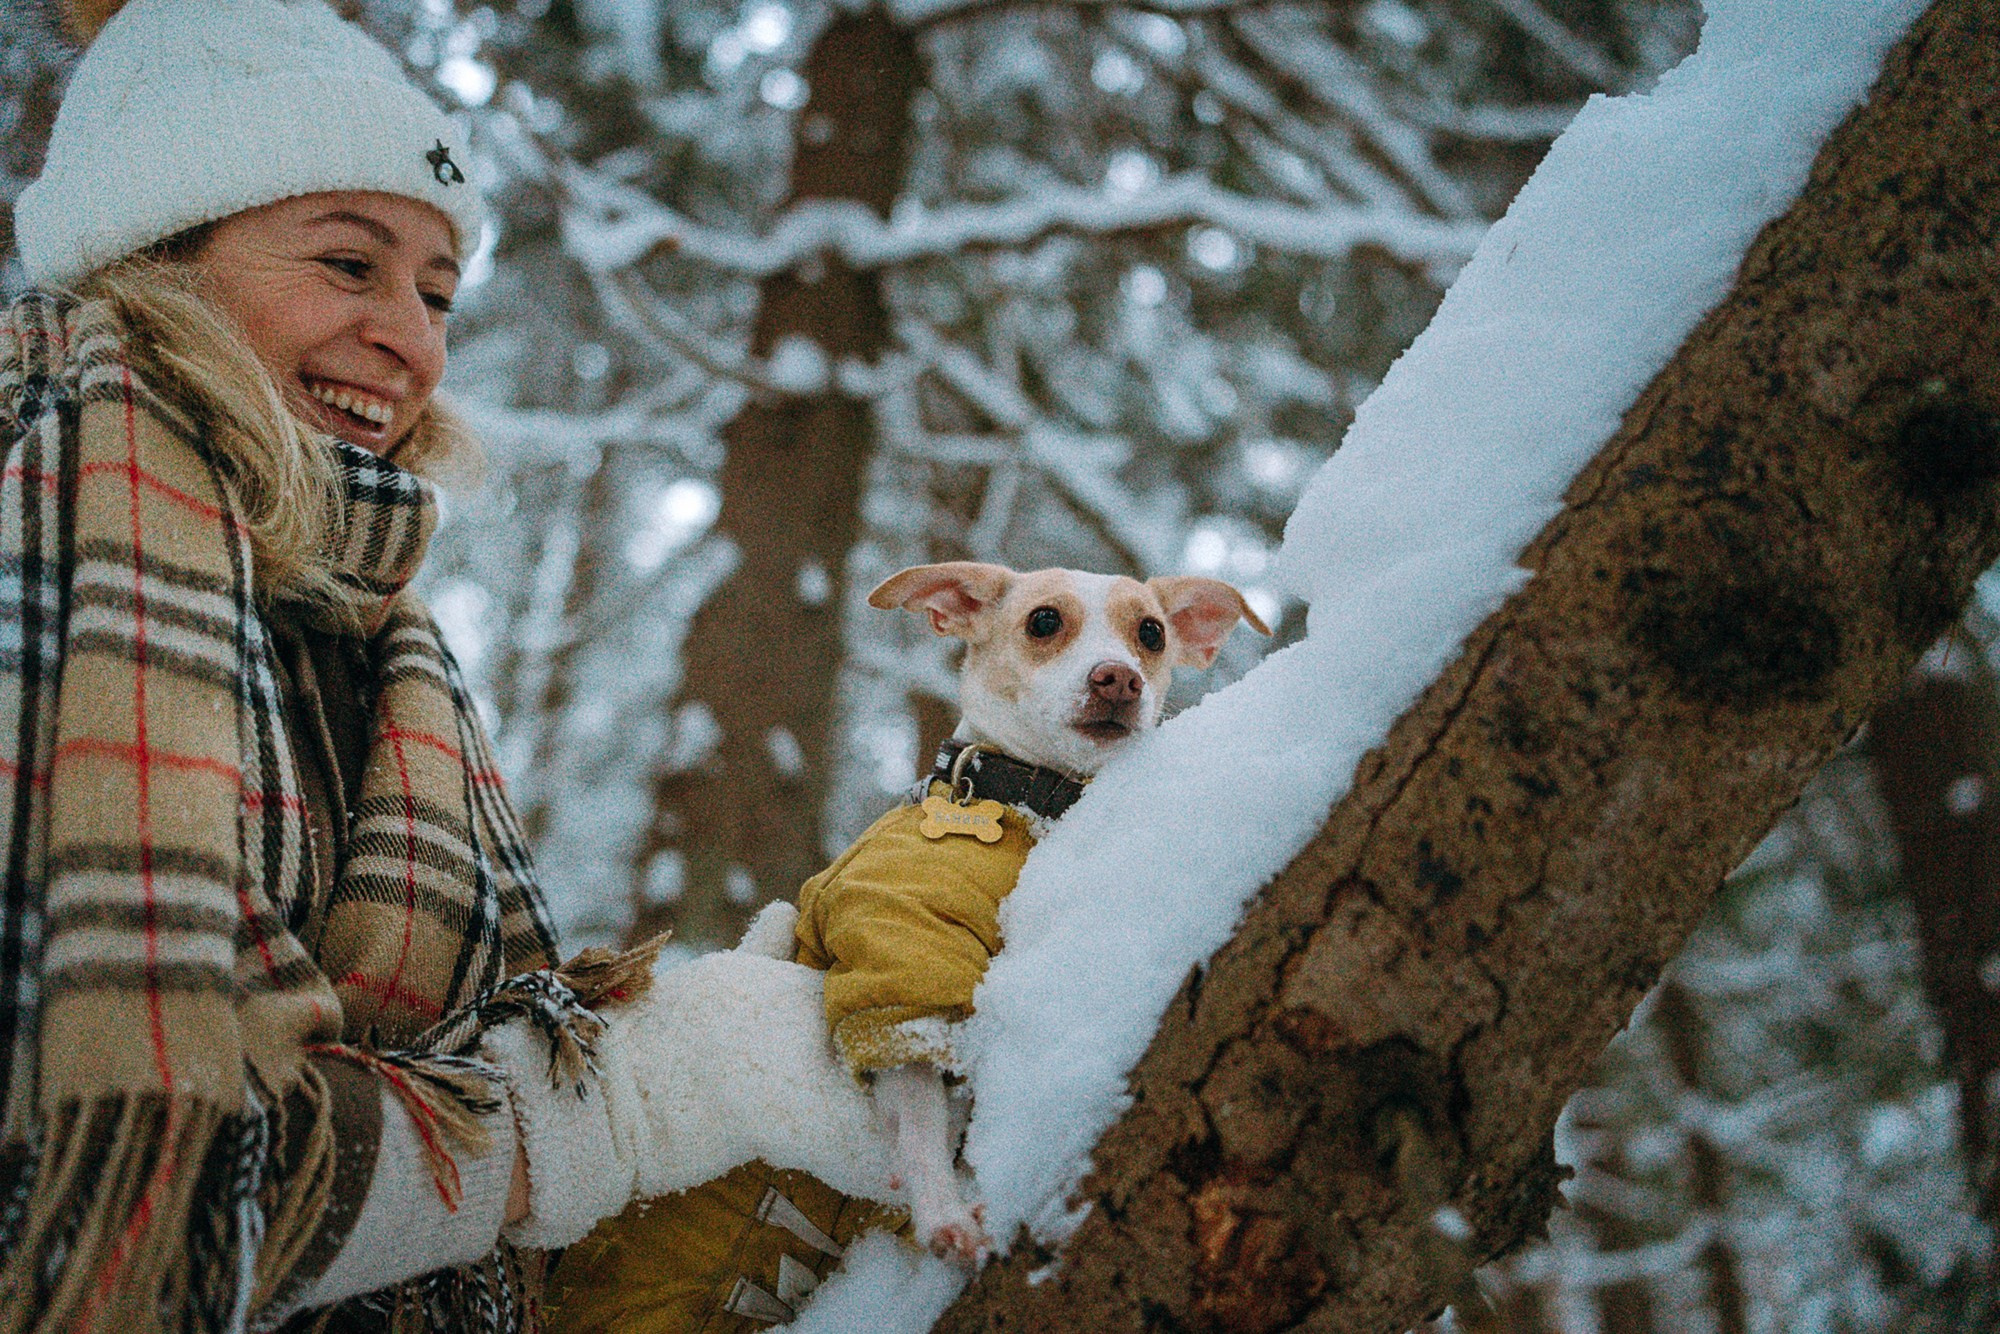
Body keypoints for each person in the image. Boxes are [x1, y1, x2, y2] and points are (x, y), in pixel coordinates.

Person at [0, 0, 887, 1329]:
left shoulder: (345, 618)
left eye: (435, 289)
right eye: (349, 265)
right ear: (157, 259)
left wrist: (677, 1054)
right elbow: (125, 1194)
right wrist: (599, 1114)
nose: (413, 340)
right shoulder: (54, 526)